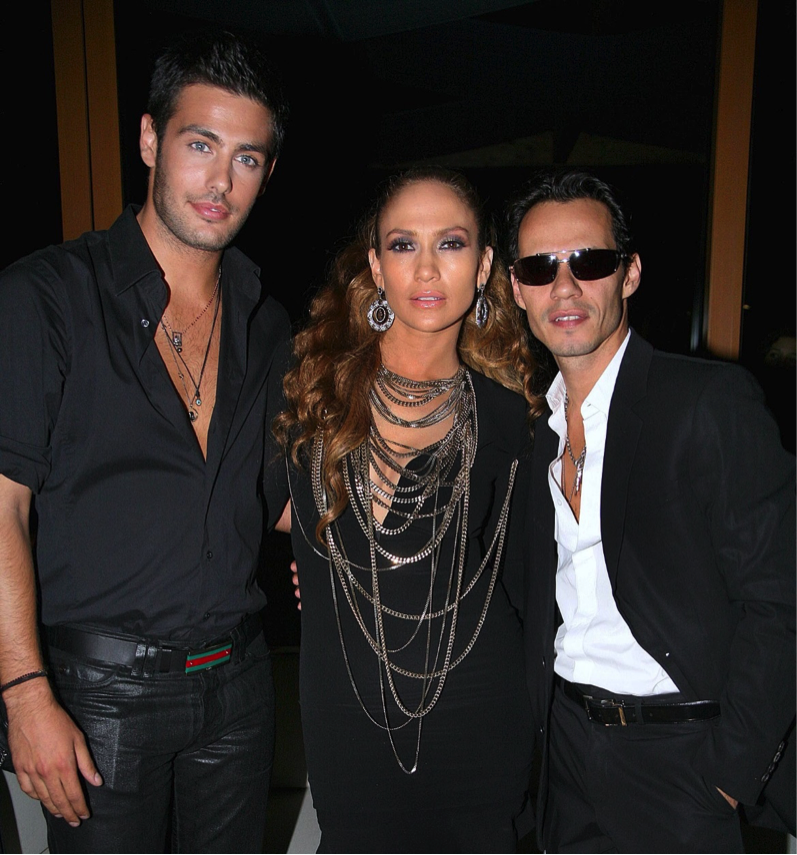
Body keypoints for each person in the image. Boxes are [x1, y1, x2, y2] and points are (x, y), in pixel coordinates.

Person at [0, 30, 290, 854]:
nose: (220, 181)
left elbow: (271, 503)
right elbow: (1, 507)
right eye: (201, 145)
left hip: (239, 684)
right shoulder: (44, 297)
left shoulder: (268, 323)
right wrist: (25, 695)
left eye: (248, 158)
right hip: (99, 694)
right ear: (149, 140)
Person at [505, 168, 797, 853]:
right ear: (517, 288)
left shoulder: (704, 403)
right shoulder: (526, 429)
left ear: (629, 274)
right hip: (566, 752)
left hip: (682, 757)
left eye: (591, 261)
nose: (565, 286)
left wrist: (730, 768)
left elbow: (780, 598)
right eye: (541, 267)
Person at [275, 166, 542, 854]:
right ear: (375, 265)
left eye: (449, 244)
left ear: (483, 265)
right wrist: (316, 554)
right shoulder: (308, 390)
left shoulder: (510, 417)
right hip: (344, 713)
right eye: (402, 245)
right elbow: (236, 506)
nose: (425, 268)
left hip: (481, 710)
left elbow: (525, 584)